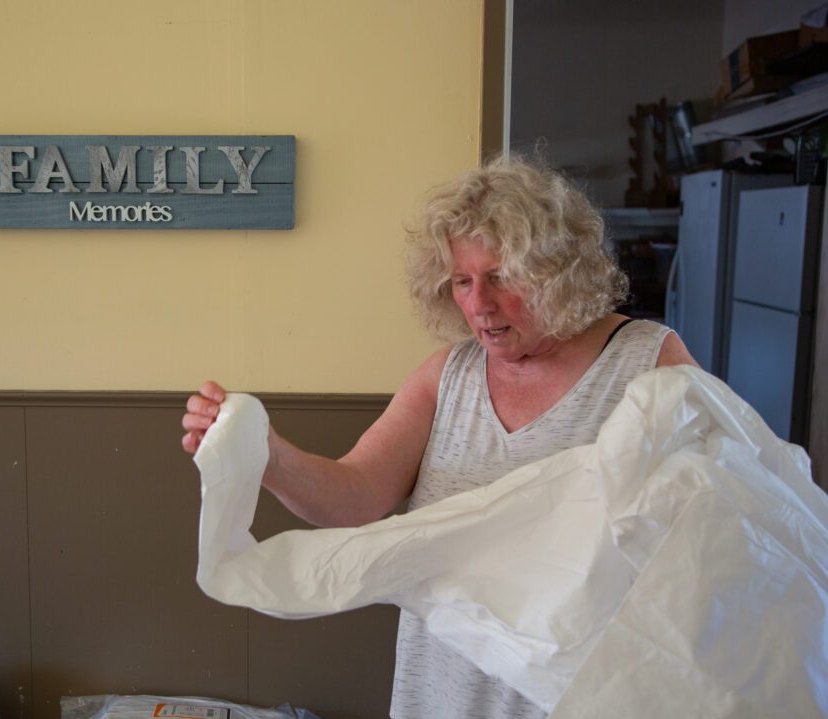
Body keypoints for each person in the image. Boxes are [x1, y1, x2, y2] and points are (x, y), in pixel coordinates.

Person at [181, 154, 698, 718]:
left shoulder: (648, 363)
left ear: (556, 270)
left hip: (582, 695)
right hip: (445, 690)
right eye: (461, 281)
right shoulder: (448, 376)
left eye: (501, 276)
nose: (479, 303)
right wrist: (266, 454)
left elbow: (706, 540)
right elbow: (354, 497)